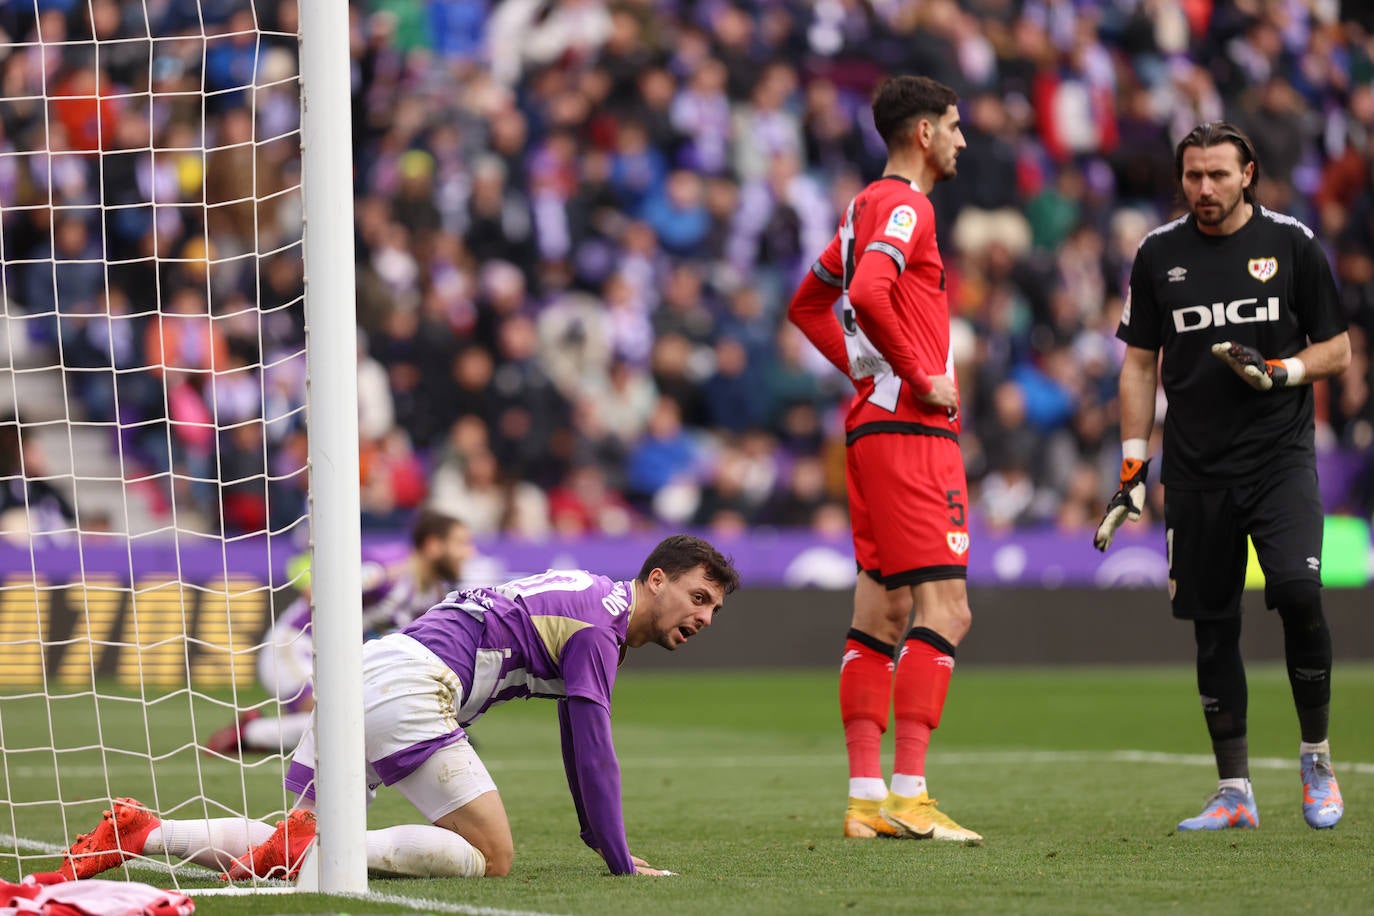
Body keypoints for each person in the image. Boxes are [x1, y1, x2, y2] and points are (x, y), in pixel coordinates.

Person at [59, 535, 740, 880]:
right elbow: (593, 750)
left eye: (714, 608)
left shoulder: (593, 598)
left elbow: (575, 737)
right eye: (698, 597)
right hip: (413, 683)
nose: (705, 617)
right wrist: (620, 860)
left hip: (370, 669)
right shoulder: (600, 627)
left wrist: (599, 838)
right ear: (656, 580)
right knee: (492, 854)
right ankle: (324, 846)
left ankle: (139, 835)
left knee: (285, 853)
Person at [1094, 121, 1351, 831]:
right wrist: (1133, 464)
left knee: (1299, 593)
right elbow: (1140, 363)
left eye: (1217, 175)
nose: (1204, 189)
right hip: (1198, 471)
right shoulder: (1157, 254)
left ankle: (1317, 760)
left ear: (1248, 174)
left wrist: (1282, 372)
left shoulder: (1292, 243)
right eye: (1192, 176)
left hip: (1279, 461)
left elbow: (1338, 349)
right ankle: (1234, 791)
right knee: (1213, 628)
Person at [787, 75, 980, 842]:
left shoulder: (859, 210)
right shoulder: (908, 204)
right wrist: (915, 374)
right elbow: (868, 293)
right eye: (956, 127)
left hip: (872, 425)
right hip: (911, 431)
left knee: (881, 614)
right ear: (924, 134)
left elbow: (809, 304)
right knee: (947, 610)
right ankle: (910, 793)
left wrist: (869, 376)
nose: (964, 140)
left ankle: (867, 800)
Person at [203, 508, 475, 755]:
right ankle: (250, 733)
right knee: (341, 722)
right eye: (461, 543)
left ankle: (254, 731)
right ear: (432, 546)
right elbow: (317, 590)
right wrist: (363, 583)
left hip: (334, 662)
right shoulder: (388, 571)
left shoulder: (432, 593)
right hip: (295, 645)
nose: (469, 552)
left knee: (354, 722)